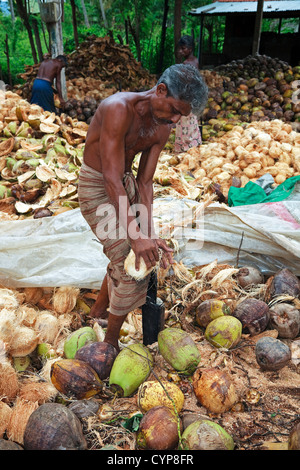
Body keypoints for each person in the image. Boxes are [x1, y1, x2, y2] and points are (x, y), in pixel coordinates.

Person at [78, 64, 208, 351]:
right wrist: (135, 236)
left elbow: (145, 182)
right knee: (130, 262)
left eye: (181, 116)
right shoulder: (117, 108)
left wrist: (147, 232)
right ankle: (109, 345)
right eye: (173, 110)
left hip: (124, 184)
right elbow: (110, 178)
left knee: (135, 251)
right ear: (160, 90)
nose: (174, 119)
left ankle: (98, 313)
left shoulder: (163, 125)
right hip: (97, 185)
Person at [175, 36, 203, 153]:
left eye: (183, 48)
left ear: (190, 49)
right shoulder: (195, 60)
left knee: (184, 124)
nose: (180, 51)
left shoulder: (187, 63)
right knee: (191, 124)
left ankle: (185, 150)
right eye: (180, 49)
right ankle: (193, 146)